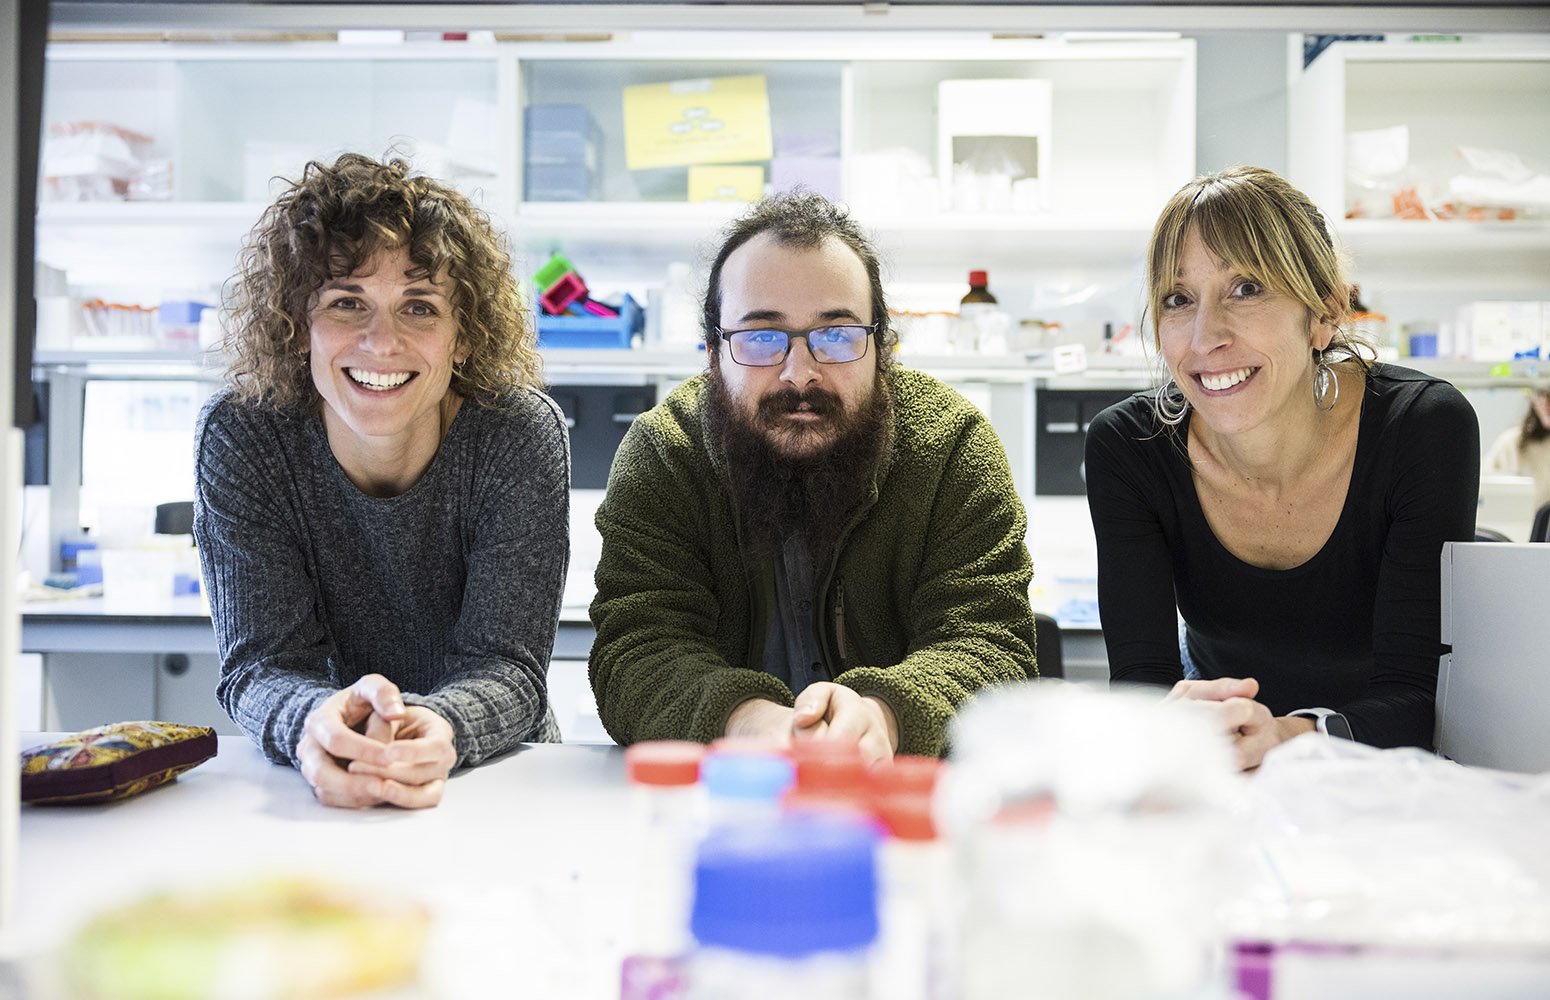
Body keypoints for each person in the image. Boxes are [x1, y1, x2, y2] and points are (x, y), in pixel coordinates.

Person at [589, 193, 1035, 763]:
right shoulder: (665, 454)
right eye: (761, 337)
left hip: (903, 794)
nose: (800, 374)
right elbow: (636, 651)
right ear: (713, 353)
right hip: (720, 791)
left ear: (882, 348)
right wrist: (749, 723)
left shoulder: (953, 448)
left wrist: (884, 717)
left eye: (837, 335)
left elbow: (992, 645)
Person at [194, 154, 569, 808]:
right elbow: (263, 666)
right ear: (298, 325)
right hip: (320, 768)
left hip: (493, 778)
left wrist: (438, 726)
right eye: (347, 302)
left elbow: (507, 667)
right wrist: (318, 724)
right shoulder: (246, 436)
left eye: (419, 307)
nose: (381, 342)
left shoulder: (515, 433)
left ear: (463, 337)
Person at [1085, 166, 1479, 771]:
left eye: (1246, 288)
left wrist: (1290, 737)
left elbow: (1417, 695)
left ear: (1325, 313)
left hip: (1381, 761)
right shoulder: (1131, 446)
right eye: (1178, 299)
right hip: (1224, 751)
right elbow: (1143, 684)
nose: (1204, 338)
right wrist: (1173, 728)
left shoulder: (1421, 426)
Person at [1484, 387, 1550, 511]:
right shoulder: (1512, 442)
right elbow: (1484, 490)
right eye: (1542, 395)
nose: (1546, 404)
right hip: (1520, 521)